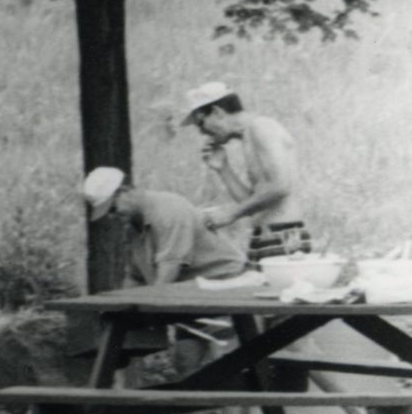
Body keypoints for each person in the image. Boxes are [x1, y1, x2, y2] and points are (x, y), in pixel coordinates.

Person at [179, 81, 307, 261]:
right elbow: (255, 203)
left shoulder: (262, 127)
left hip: (285, 234)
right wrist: (223, 168)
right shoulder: (248, 136)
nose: (202, 132)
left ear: (217, 112)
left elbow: (281, 186)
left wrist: (231, 214)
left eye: (201, 123)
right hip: (265, 235)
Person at [83, 166, 247, 286]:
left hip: (226, 280)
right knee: (121, 318)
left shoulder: (169, 210)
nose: (113, 217)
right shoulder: (132, 226)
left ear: (124, 190)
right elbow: (134, 277)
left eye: (113, 209)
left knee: (150, 314)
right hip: (191, 287)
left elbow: (168, 274)